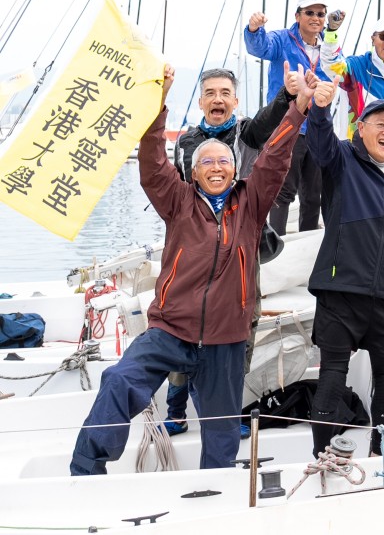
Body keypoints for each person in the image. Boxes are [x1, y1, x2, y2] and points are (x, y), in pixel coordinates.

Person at [70, 64, 312, 475]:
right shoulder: (177, 201)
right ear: (194, 171)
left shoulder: (251, 206)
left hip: (226, 339)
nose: (217, 167)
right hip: (170, 330)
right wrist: (158, 101)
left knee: (221, 432)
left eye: (224, 161)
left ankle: (215, 493)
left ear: (236, 170)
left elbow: (275, 157)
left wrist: (299, 108)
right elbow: (151, 160)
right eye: (207, 163)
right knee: (118, 381)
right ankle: (87, 471)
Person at [162, 66, 303, 438]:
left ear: (235, 101)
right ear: (201, 101)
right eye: (211, 93)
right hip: (196, 251)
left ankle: (227, 408)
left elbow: (269, 121)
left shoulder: (248, 134)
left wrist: (287, 97)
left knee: (245, 324)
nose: (218, 99)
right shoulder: (186, 142)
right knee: (184, 323)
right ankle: (176, 406)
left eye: (225, 93)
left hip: (243, 250)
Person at [304, 78, 384, 457]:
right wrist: (320, 110)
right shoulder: (342, 159)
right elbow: (319, 142)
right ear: (362, 128)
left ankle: (380, 452)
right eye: (381, 125)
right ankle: (323, 455)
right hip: (340, 290)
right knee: (332, 376)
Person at [244, 0, 344, 234]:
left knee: (313, 194)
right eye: (309, 12)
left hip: (318, 127)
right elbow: (260, 47)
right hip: (288, 125)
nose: (315, 18)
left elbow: (339, 72)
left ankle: (306, 244)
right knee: (283, 189)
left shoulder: (329, 48)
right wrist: (253, 28)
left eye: (320, 13)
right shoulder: (281, 39)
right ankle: (276, 243)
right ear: (297, 16)